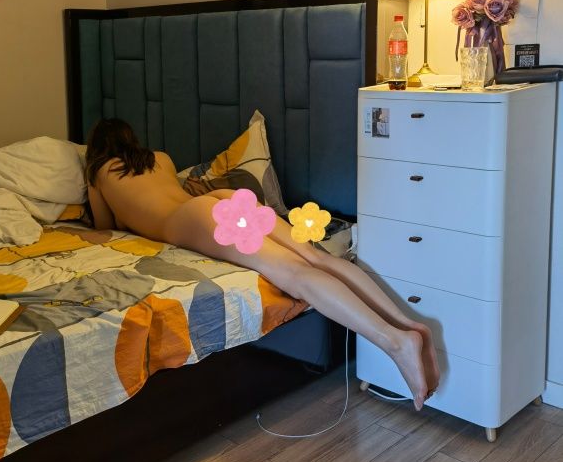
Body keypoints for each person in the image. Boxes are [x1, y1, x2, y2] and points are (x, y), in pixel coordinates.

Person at [85, 118, 439, 410]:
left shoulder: (98, 174)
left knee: (295, 275)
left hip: (192, 219)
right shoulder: (159, 158)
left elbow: (104, 225)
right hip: (220, 200)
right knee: (316, 258)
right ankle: (406, 324)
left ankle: (395, 341)